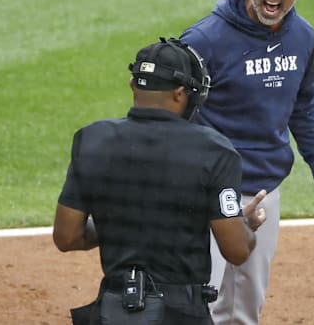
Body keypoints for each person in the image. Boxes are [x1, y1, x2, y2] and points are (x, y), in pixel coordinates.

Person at [179, 0, 314, 324]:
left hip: (264, 189)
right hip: (208, 191)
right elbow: (174, 115)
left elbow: (303, 104)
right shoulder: (205, 41)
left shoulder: (302, 37)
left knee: (246, 306)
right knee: (199, 302)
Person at [52, 37, 268, 325]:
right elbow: (237, 250)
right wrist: (246, 224)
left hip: (113, 310)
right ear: (181, 93)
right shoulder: (215, 151)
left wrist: (127, 222)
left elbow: (67, 237)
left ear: (133, 85)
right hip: (181, 313)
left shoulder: (92, 140)